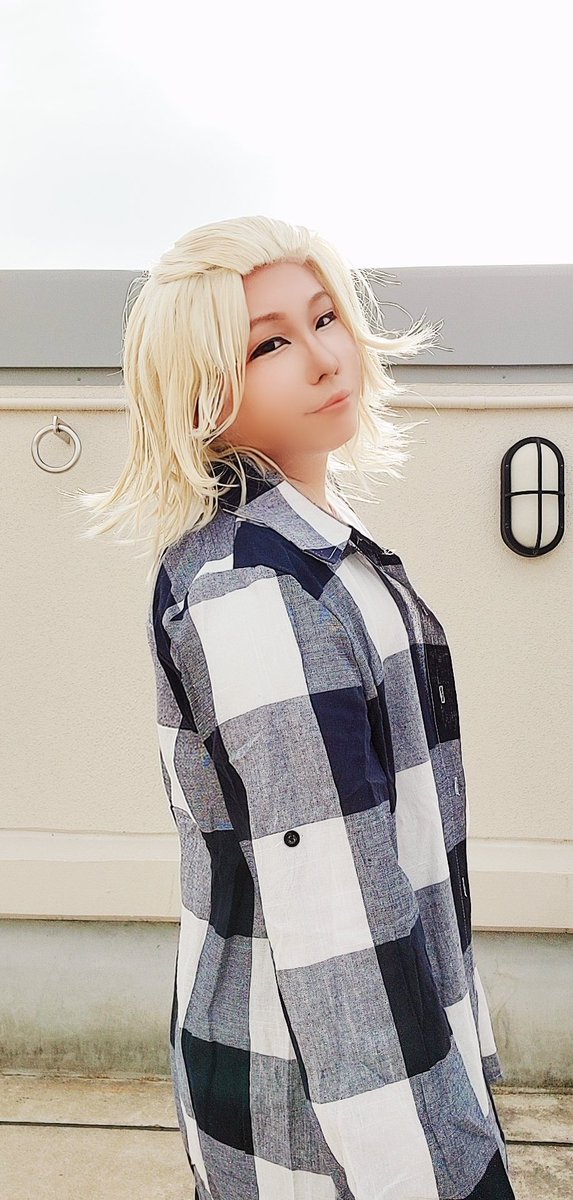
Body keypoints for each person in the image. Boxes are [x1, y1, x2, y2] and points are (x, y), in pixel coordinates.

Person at [72, 215, 516, 1198]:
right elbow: (334, 926)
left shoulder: (311, 555)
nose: (322, 356)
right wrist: (430, 1171)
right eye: (267, 344)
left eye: (323, 318)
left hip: (335, 1084)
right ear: (203, 391)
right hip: (328, 1119)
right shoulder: (261, 591)